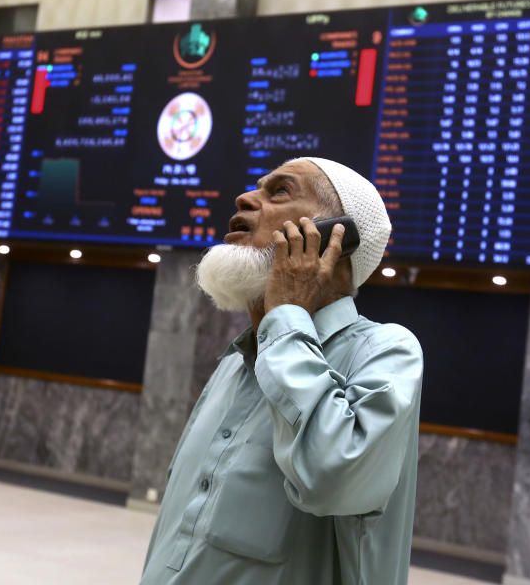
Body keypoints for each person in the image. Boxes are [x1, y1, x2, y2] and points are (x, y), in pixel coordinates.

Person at [139, 156, 424, 585]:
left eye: (280, 191)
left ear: (334, 240)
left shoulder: (386, 351)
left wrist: (288, 311)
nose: (244, 197)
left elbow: (331, 478)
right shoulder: (238, 361)